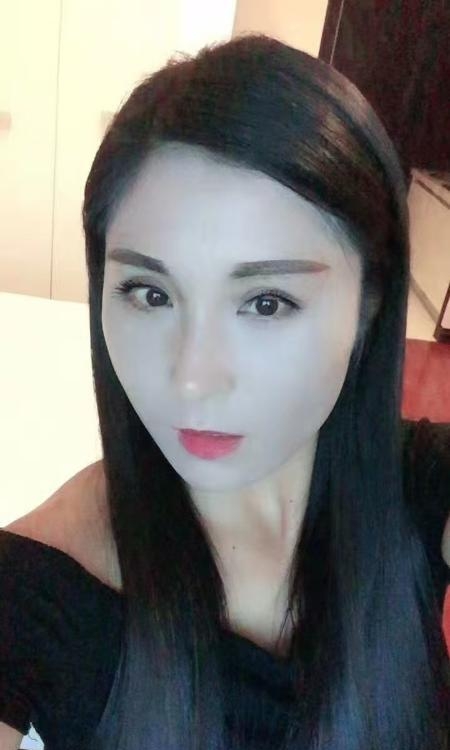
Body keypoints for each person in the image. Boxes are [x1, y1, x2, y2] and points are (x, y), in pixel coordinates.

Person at [1, 33, 449, 750]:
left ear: (371, 302)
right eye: (149, 293)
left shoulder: (418, 486)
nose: (192, 377)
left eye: (266, 302)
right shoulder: (36, 586)